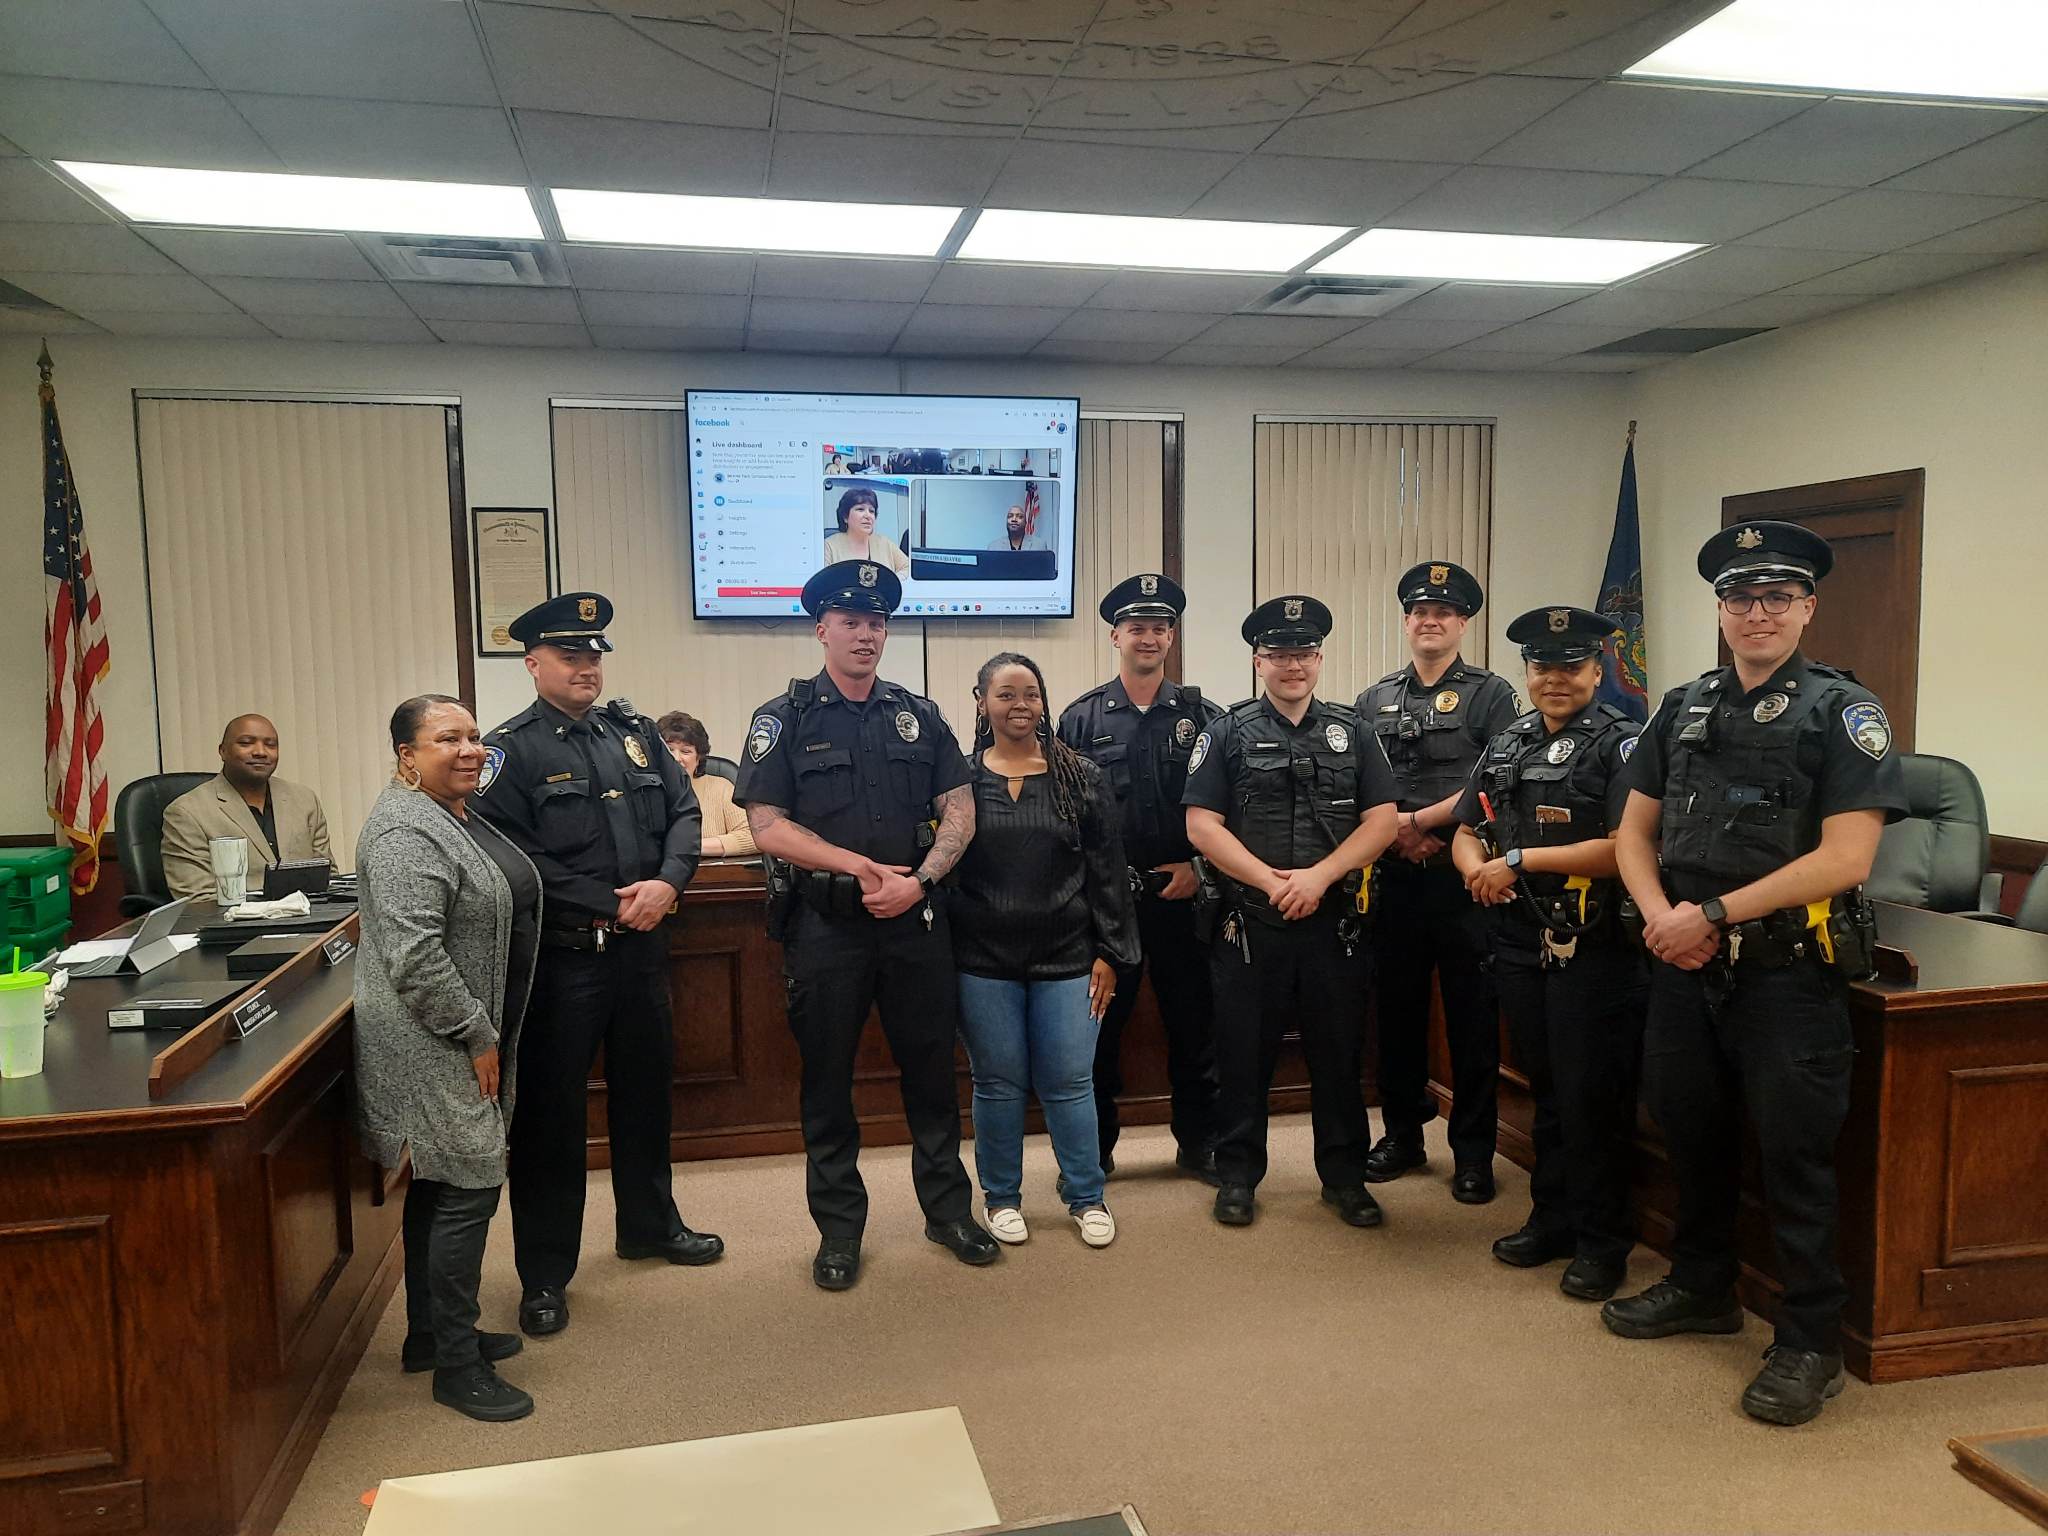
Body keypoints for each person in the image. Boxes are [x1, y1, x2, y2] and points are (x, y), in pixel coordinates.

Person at [1604, 521, 1906, 1426]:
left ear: (1808, 608)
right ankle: (1701, 1286)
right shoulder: (1684, 706)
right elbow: (1632, 833)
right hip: (1683, 966)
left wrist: (1716, 914)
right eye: (1740, 598)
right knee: (1690, 1133)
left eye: (1778, 597)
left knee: (1795, 1157)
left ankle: (1810, 1339)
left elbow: (1848, 857)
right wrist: (1663, 918)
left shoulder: (1843, 713)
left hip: (1786, 978)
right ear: (1720, 611)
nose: (1757, 613)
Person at [736, 560, 996, 1290]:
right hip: (828, 929)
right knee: (826, 1082)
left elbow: (961, 809)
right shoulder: (782, 718)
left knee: (932, 1078)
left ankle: (948, 1213)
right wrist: (860, 869)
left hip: (915, 921)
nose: (865, 634)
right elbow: (765, 826)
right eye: (850, 621)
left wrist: (918, 881)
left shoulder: (919, 713)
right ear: (821, 629)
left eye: (876, 621)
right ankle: (840, 1232)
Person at [472, 592, 722, 1340]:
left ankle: (649, 1225)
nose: (586, 667)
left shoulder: (635, 735)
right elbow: (512, 854)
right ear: (534, 663)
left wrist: (668, 883)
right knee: (552, 1122)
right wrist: (615, 903)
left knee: (647, 1096)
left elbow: (685, 814)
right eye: (570, 655)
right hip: (566, 962)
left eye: (594, 654)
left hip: (642, 954)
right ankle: (545, 1273)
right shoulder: (507, 752)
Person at [1184, 596, 1400, 1229]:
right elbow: (1201, 824)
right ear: (1258, 662)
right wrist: (1271, 882)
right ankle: (1238, 1177)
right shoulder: (1225, 732)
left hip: (1333, 922)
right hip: (1251, 921)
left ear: (1319, 658)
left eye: (1303, 653)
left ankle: (1344, 1180)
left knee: (1338, 1056)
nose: (1293, 665)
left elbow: (1383, 820)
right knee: (1242, 1055)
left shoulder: (1353, 729)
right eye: (1279, 654)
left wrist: (1320, 877)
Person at [1451, 608, 1647, 1303]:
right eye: (1542, 667)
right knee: (1547, 1092)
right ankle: (1552, 1217)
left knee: (1593, 1097)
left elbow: (1627, 847)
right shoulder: (1509, 741)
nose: (1555, 679)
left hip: (1592, 946)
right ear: (1527, 673)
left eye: (1571, 666)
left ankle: (1603, 1241)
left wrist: (1515, 858)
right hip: (1518, 942)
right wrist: (1474, 860)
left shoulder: (1622, 744)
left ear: (1598, 670)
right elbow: (1467, 823)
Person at [355, 694, 540, 1422]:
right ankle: (455, 1368)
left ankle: (430, 1335)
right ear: (407, 756)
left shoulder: (450, 814)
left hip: (456, 1033)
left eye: (473, 737)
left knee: (440, 1184)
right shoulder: (406, 832)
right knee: (467, 1184)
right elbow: (416, 956)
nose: (469, 750)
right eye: (445, 739)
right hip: (431, 1036)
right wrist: (477, 1032)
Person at [953, 651, 1139, 1249]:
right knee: (998, 1083)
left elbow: (1108, 871)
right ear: (981, 702)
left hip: (1069, 956)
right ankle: (1002, 1197)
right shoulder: (957, 780)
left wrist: (1111, 952)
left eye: (1030, 693)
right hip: (982, 960)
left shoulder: (1079, 774)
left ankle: (1086, 1196)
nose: (1020, 706)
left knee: (1069, 1081)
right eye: (1005, 694)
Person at [1356, 561, 1520, 1202]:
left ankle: (1474, 1151)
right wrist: (1391, 829)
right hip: (1392, 878)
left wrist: (1421, 822)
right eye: (1421, 612)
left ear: (1463, 623)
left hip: (1462, 878)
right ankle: (1402, 1133)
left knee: (1471, 1019)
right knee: (1394, 1013)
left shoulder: (1492, 694)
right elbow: (1362, 780)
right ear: (1406, 621)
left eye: (1444, 613)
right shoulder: (1373, 698)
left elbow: (1499, 777)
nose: (1431, 621)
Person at [1057, 573, 1223, 1184]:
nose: (1148, 637)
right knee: (1097, 1034)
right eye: (1136, 628)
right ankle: (1093, 1153)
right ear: (1115, 636)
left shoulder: (1207, 717)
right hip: (1108, 906)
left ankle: (1200, 1143)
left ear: (1171, 637)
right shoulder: (1078, 720)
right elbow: (1061, 818)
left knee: (1195, 1025)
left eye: (1159, 628)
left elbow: (1234, 809)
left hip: (1187, 899)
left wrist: (1201, 869)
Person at [160, 713, 332, 900]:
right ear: (223, 751)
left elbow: (329, 877)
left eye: (270, 744)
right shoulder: (187, 813)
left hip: (313, 920)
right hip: (237, 924)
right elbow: (198, 899)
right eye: (246, 743)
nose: (260, 751)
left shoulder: (304, 800)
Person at [657, 710, 756, 858]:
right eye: (669, 750)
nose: (676, 758)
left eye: (686, 751)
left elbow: (753, 836)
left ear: (698, 759)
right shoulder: (644, 793)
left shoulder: (720, 788)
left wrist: (690, 847)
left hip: (715, 877)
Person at [822, 486, 912, 574]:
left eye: (871, 511)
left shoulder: (884, 543)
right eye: (860, 509)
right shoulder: (828, 546)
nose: (868, 516)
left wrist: (892, 581)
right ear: (845, 516)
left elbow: (907, 567)